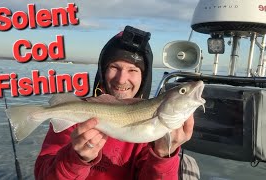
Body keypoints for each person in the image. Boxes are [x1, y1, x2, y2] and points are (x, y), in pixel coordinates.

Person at [34, 26, 196, 180]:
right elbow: (42, 175)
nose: (121, 79)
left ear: (144, 79)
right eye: (114, 67)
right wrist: (76, 158)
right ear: (102, 72)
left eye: (133, 70)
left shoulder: (157, 132)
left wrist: (163, 155)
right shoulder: (76, 112)